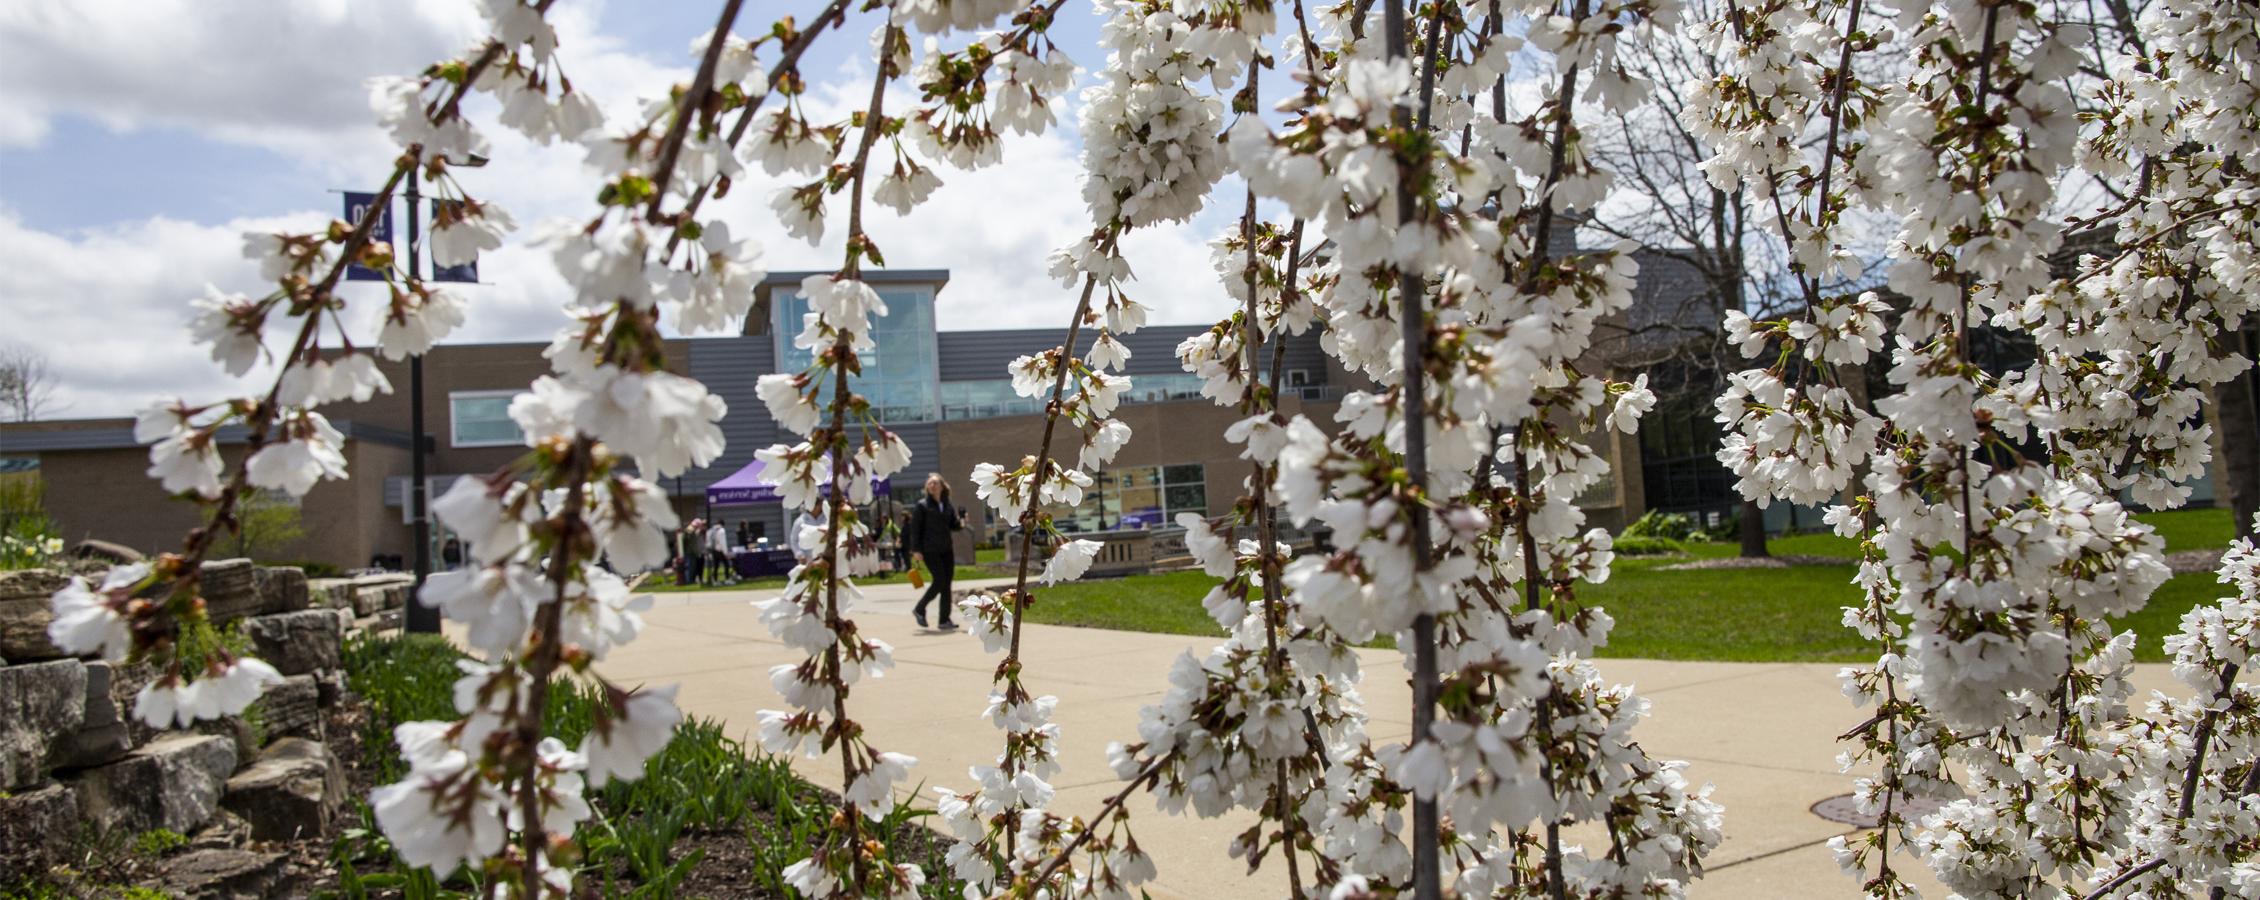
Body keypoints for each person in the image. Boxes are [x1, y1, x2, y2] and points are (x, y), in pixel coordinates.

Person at [908, 472, 964, 630]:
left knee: (947, 584)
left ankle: (944, 620)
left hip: (946, 549)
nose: (932, 485)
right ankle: (919, 608)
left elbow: (954, 525)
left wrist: (962, 521)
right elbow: (915, 529)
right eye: (930, 483)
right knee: (939, 580)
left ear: (942, 486)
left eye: (935, 483)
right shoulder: (922, 506)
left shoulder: (947, 505)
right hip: (929, 549)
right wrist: (916, 549)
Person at [704, 518, 733, 585]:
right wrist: (725, 552)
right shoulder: (721, 530)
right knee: (726, 565)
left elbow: (708, 541)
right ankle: (727, 579)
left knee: (716, 566)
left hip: (713, 550)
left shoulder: (711, 530)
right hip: (720, 550)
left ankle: (715, 580)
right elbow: (723, 542)